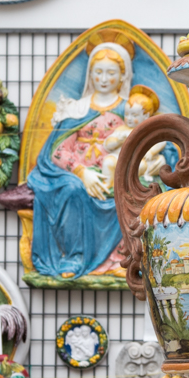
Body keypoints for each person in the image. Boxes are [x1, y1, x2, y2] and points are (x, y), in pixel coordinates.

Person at [26, 40, 135, 279]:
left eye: (111, 73)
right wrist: (82, 172)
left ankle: (119, 259)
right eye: (98, 72)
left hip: (116, 172)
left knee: (130, 191)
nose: (103, 79)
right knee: (73, 189)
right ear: (90, 74)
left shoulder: (130, 109)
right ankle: (73, 257)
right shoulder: (76, 109)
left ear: (122, 75)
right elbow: (58, 151)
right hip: (77, 174)